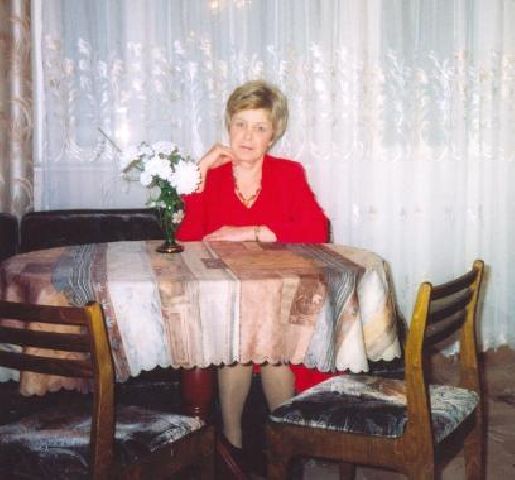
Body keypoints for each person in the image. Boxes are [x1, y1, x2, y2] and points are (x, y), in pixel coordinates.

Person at [176, 79, 332, 456]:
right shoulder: (212, 176)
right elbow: (186, 242)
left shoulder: (288, 173)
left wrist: (252, 231)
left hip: (277, 298)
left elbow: (318, 228)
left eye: (259, 127)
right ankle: (234, 451)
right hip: (224, 300)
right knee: (238, 340)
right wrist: (198, 173)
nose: (247, 136)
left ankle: (283, 453)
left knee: (271, 343)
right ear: (228, 125)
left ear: (272, 134)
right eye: (240, 124)